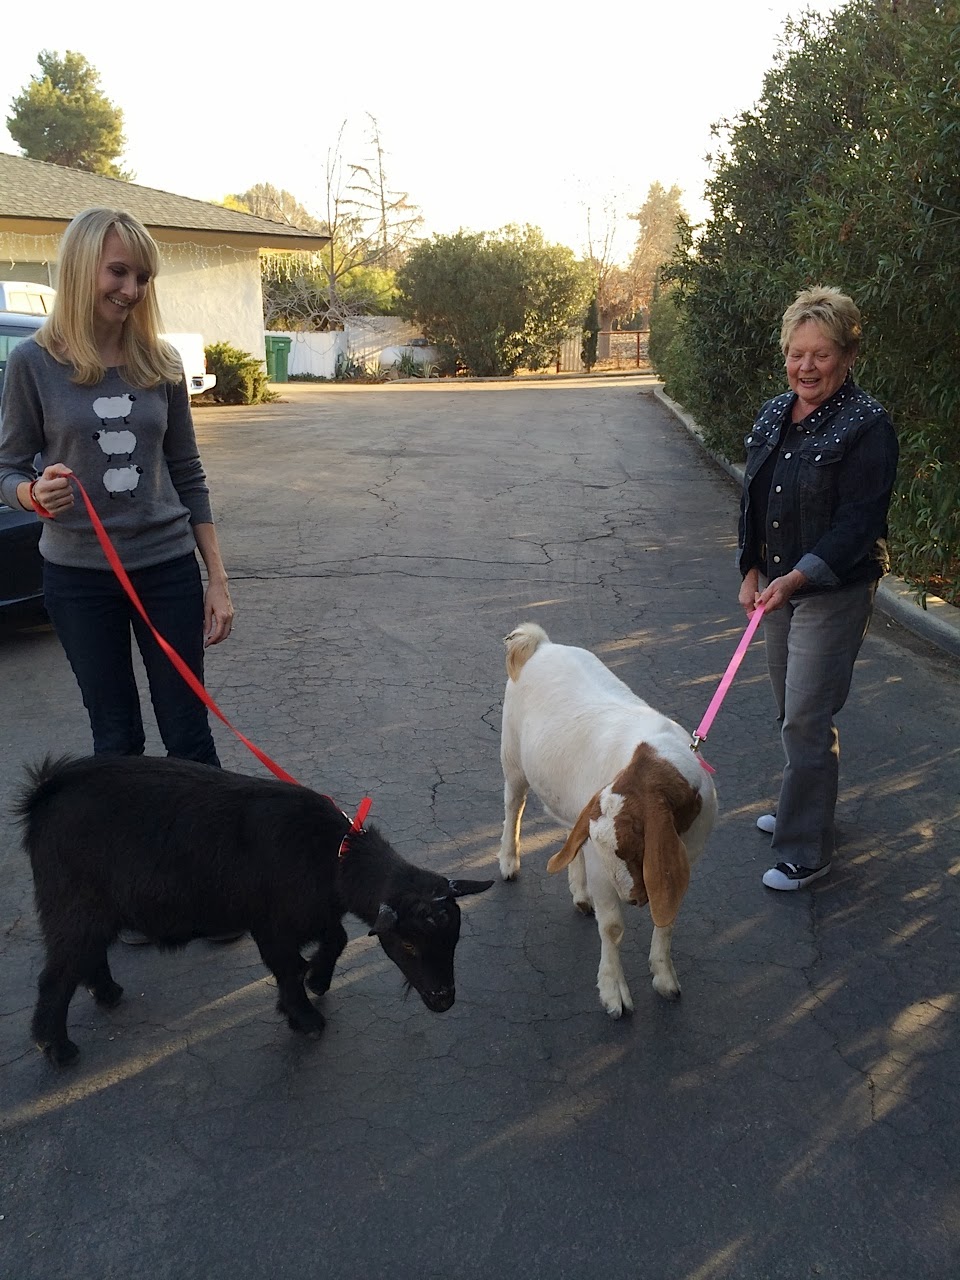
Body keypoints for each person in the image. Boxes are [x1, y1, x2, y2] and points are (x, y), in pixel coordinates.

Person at [0, 207, 237, 940]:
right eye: (118, 272)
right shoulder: (32, 363)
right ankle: (136, 893)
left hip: (164, 569)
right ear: (82, 270)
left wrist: (216, 579)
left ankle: (220, 887)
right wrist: (33, 494)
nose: (132, 289)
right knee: (116, 739)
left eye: (141, 276)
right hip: (77, 580)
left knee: (188, 735)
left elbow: (188, 472)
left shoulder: (160, 363)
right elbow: (7, 465)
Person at [737, 285, 899, 891]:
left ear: (848, 356)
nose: (805, 367)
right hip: (778, 585)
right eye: (795, 353)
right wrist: (748, 568)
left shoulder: (868, 426)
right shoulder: (776, 413)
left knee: (806, 713)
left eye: (821, 355)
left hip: (831, 589)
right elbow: (753, 495)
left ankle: (807, 848)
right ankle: (801, 805)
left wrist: (797, 576)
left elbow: (859, 523)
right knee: (791, 709)